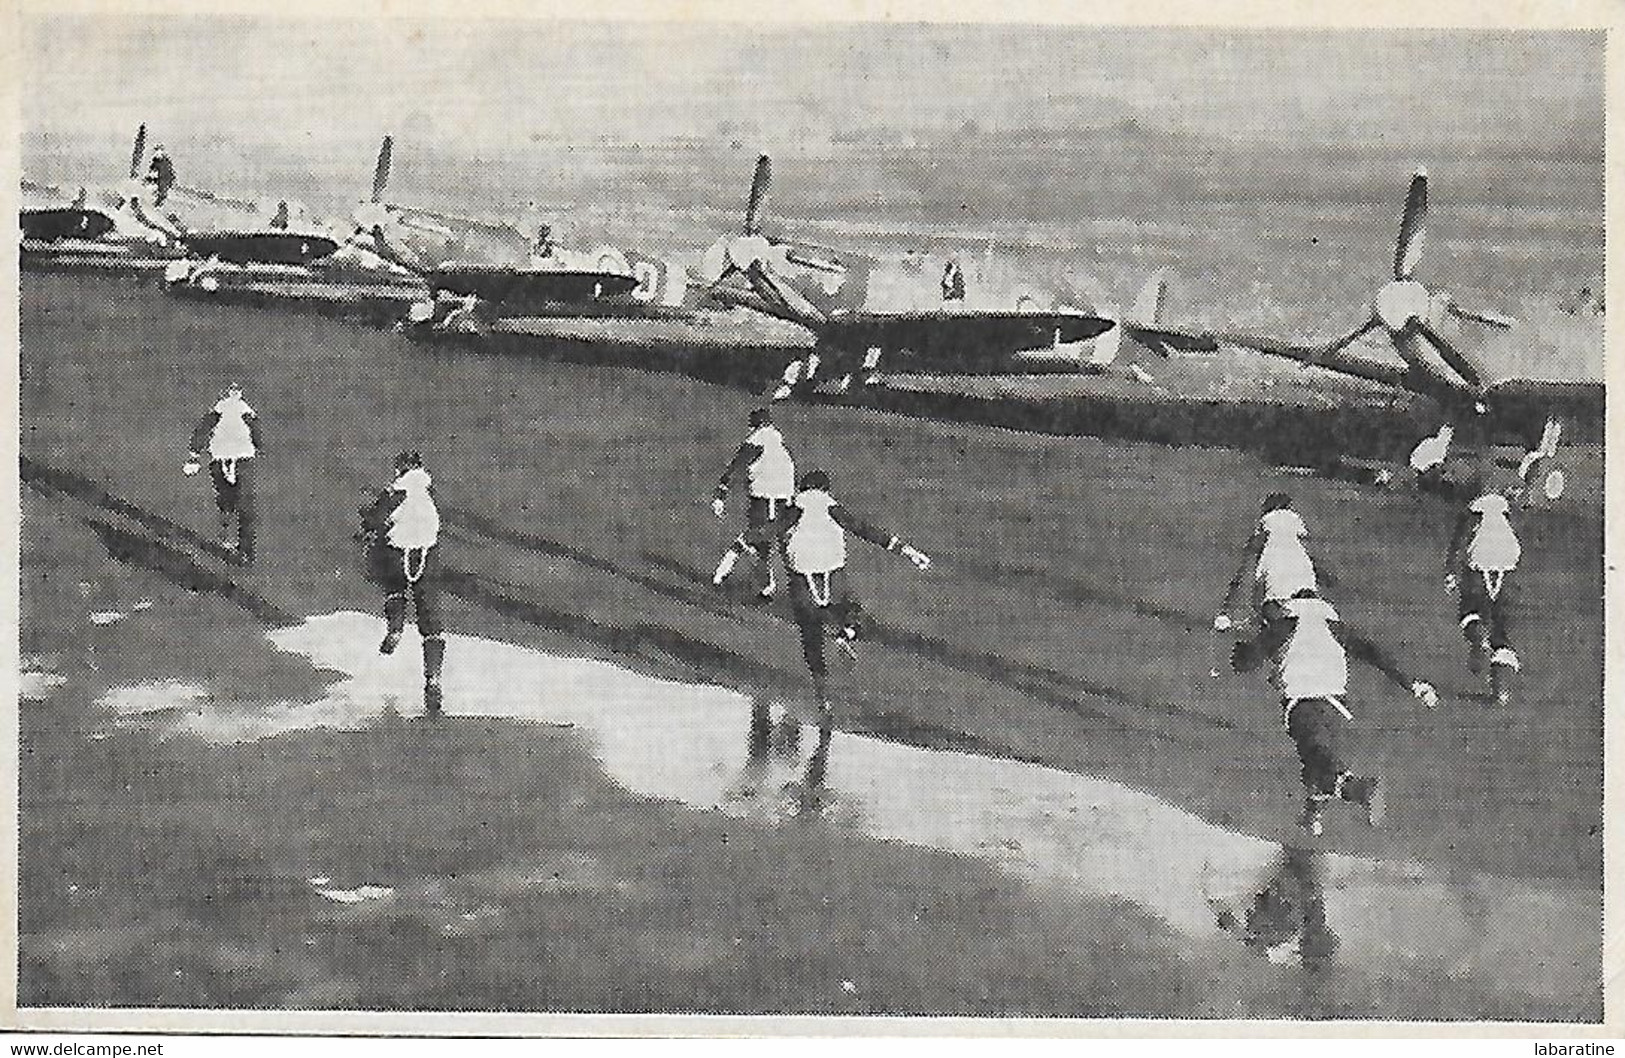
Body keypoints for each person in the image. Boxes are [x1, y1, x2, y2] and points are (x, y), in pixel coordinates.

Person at [1231, 587, 1438, 836]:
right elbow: (1375, 654)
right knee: (1320, 760)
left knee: (1319, 758)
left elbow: (1246, 662)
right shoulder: (1334, 628)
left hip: (1303, 705)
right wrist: (1413, 685)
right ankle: (1312, 816)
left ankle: (1359, 789)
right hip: (1338, 709)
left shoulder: (1284, 626)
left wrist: (1241, 649)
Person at [771, 469, 931, 714]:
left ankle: (823, 697)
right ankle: (845, 633)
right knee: (856, 613)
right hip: (833, 577)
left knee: (811, 638)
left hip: (801, 580)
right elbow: (863, 529)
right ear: (825, 489)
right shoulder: (830, 506)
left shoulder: (794, 508)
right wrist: (908, 551)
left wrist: (742, 544)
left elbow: (772, 532)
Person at [359, 452, 446, 716]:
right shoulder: (429, 489)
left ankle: (395, 627)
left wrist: (369, 521)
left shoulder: (395, 491)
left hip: (399, 553)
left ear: (401, 469)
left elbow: (374, 520)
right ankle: (433, 680)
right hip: (428, 555)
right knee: (431, 622)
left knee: (392, 583)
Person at [1215, 493, 1333, 633]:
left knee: (1270, 615)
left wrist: (1228, 610)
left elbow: (1248, 573)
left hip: (1279, 604)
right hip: (1309, 600)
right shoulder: (1296, 528)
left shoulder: (1267, 526)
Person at [1446, 484, 1522, 700]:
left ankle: (1478, 639)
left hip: (1479, 565)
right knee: (1501, 629)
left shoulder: (1473, 511)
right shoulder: (1508, 510)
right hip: (1508, 568)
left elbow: (1458, 543)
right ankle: (1502, 692)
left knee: (1469, 611)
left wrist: (1451, 572)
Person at [712, 407, 797, 599]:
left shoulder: (757, 440)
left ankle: (723, 573)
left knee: (759, 538)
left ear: (753, 426)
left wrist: (720, 494)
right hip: (780, 497)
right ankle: (767, 586)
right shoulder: (779, 442)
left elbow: (737, 467)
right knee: (766, 542)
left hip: (769, 498)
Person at [184, 384, 261, 563]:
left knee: (228, 500)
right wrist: (258, 447)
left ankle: (231, 540)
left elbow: (202, 431)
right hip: (240, 461)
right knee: (244, 505)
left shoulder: (220, 410)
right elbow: (258, 434)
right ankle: (244, 549)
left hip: (223, 460)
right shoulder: (244, 411)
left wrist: (194, 455)